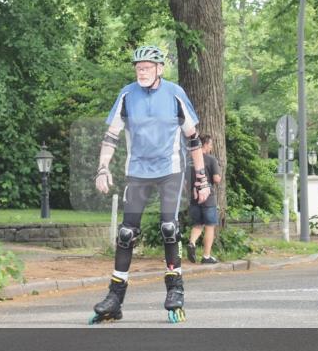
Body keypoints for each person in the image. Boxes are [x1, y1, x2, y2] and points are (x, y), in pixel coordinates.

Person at [92, 45, 211, 323]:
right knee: (125, 232)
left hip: (170, 169)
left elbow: (193, 138)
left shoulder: (175, 93)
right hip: (137, 170)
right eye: (138, 67)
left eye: (146, 67)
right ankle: (115, 296)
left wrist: (202, 179)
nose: (141, 72)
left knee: (168, 227)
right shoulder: (127, 94)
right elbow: (111, 135)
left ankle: (175, 289)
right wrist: (102, 167)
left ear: (159, 69)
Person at [186, 134, 223, 264]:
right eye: (210, 144)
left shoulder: (189, 161)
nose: (211, 147)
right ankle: (206, 256)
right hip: (208, 199)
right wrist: (220, 171)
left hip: (194, 198)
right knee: (209, 226)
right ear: (205, 144)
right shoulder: (210, 159)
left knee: (198, 224)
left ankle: (192, 243)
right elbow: (216, 179)